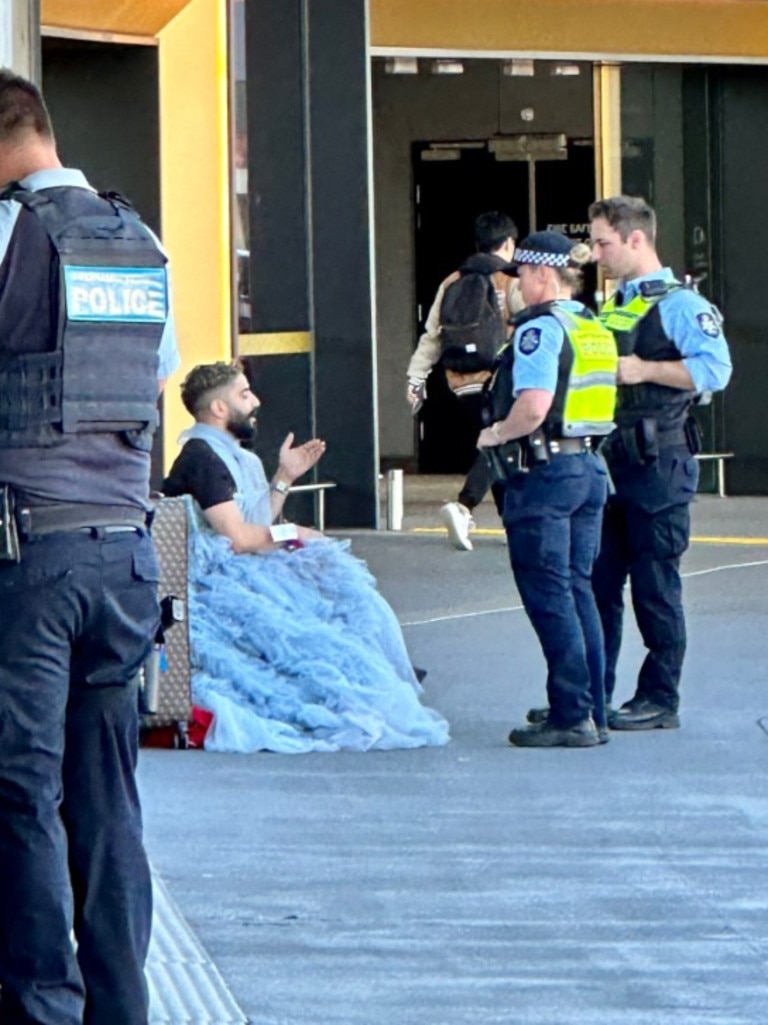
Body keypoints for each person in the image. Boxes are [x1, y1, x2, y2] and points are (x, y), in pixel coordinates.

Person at [0, 70, 181, 1025]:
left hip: (31, 561)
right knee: (105, 796)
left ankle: (42, 1007)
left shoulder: (8, 229)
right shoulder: (138, 239)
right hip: (125, 557)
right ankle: (123, 1004)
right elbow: (154, 379)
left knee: (20, 789)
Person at [161, 362, 450, 754]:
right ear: (218, 409)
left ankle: (376, 671)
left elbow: (259, 520)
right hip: (214, 582)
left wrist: (284, 476)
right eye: (244, 394)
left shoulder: (235, 457)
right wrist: (293, 534)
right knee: (313, 615)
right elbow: (240, 537)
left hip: (243, 569)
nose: (255, 401)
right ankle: (360, 680)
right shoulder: (201, 457)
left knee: (339, 586)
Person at [588, 196, 732, 730]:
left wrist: (644, 369)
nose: (596, 253)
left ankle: (659, 698)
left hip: (660, 459)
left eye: (604, 242)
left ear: (635, 239)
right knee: (599, 582)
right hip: (613, 461)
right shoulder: (617, 303)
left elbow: (715, 370)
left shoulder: (680, 304)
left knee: (654, 584)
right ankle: (588, 695)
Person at [477, 231, 618, 748]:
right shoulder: (592, 326)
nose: (515, 287)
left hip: (546, 477)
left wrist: (496, 433)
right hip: (587, 470)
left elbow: (533, 406)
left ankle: (571, 717)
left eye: (520, 277)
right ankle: (590, 709)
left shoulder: (540, 331)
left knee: (550, 593)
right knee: (579, 589)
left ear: (540, 275)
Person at [407, 211, 523, 551]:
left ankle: (512, 525)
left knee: (498, 445)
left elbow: (432, 336)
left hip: (460, 383)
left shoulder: (451, 281)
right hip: (498, 379)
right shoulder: (512, 279)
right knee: (501, 443)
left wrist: (416, 377)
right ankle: (464, 506)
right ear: (508, 243)